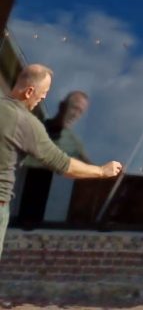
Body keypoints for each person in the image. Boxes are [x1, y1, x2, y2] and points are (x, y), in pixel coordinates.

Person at [0, 65, 122, 258]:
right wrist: (101, 171)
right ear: (30, 91)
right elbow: (64, 165)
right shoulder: (27, 124)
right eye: (44, 92)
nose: (44, 97)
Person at [17, 89, 91, 225]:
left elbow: (92, 170)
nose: (75, 115)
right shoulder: (32, 127)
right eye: (74, 108)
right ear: (62, 106)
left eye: (80, 112)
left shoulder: (74, 144)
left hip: (46, 220)